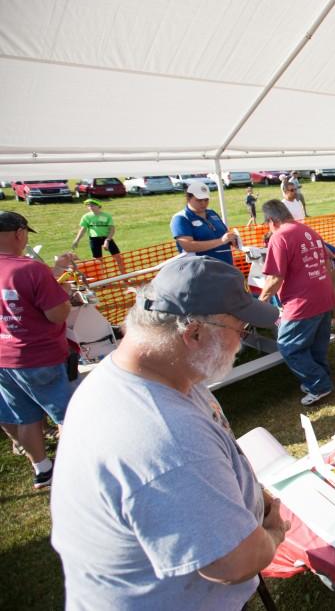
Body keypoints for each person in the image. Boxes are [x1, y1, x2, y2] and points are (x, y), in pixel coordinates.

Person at [51, 256, 289, 609]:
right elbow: (234, 562)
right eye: (241, 330)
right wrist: (272, 533)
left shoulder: (150, 374)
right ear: (193, 333)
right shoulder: (167, 436)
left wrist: (256, 497)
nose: (242, 341)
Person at [0, 211, 76, 490]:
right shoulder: (31, 269)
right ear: (20, 233)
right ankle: (74, 465)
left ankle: (42, 469)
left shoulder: (28, 270)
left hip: (4, 359)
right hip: (38, 355)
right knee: (67, 415)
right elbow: (57, 314)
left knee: (26, 416)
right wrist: (64, 294)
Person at [258, 199, 335, 405]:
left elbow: (274, 278)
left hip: (301, 302)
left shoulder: (279, 236)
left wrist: (260, 302)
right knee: (317, 343)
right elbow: (328, 258)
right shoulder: (307, 229)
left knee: (288, 346)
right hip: (323, 295)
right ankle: (321, 377)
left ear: (272, 220)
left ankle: (319, 385)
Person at [171, 183, 237, 265]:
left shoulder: (211, 212)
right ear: (188, 198)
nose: (203, 203)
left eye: (206, 200)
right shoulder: (181, 218)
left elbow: (223, 232)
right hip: (201, 269)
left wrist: (232, 239)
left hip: (225, 265)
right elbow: (188, 246)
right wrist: (221, 241)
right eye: (199, 200)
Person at [70, 199, 126, 274]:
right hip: (94, 240)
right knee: (98, 261)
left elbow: (112, 230)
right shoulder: (86, 217)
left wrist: (107, 240)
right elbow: (83, 230)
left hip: (106, 238)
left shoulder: (106, 216)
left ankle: (125, 277)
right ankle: (102, 281)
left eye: (92, 205)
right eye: (88, 205)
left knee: (118, 258)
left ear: (98, 206)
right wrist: (77, 240)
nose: (90, 207)